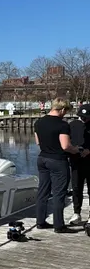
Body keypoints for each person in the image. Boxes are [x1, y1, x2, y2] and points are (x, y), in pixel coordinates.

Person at [34, 98, 89, 232]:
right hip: (57, 161)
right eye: (65, 111)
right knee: (59, 193)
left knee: (43, 191)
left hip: (42, 159)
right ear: (62, 110)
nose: (65, 114)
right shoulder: (62, 125)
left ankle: (40, 222)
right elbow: (65, 146)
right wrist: (77, 149)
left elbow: (37, 142)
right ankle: (59, 225)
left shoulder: (38, 122)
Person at [68, 104, 90, 224]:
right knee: (76, 188)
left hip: (89, 161)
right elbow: (67, 142)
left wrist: (89, 150)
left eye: (86, 117)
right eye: (82, 117)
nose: (84, 119)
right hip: (76, 161)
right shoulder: (72, 125)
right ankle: (77, 213)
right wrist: (74, 149)